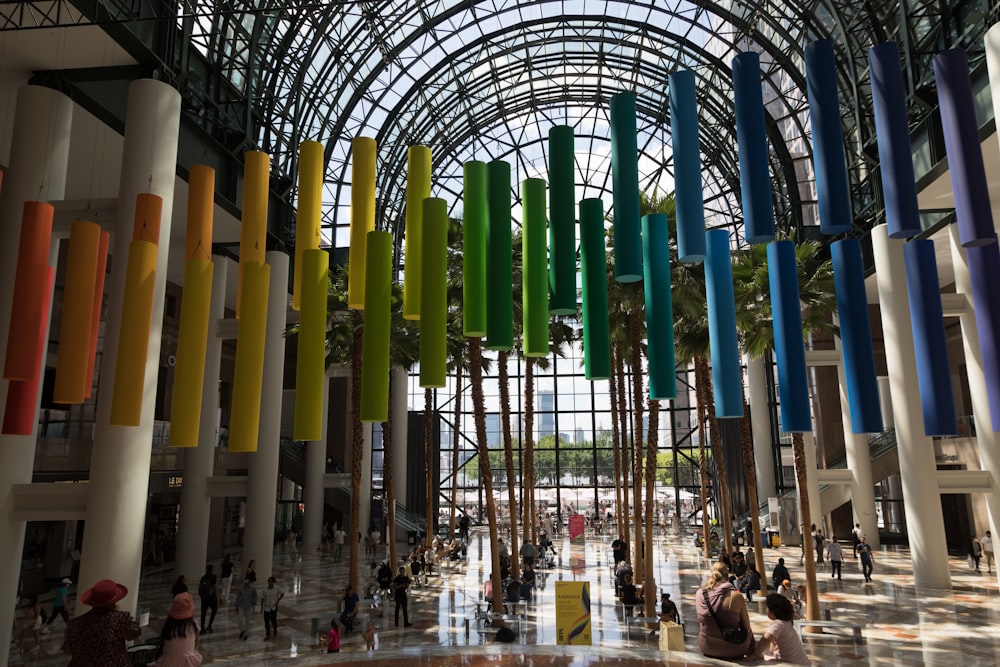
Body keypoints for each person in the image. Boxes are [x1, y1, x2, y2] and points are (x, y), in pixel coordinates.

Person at [62, 578, 142, 666]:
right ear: (114, 601)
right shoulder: (119, 619)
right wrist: (119, 612)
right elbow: (135, 633)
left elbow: (68, 648)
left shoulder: (76, 623)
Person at [695, 562, 754, 660]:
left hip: (706, 647)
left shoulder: (699, 593)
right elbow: (747, 626)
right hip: (733, 649)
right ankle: (752, 656)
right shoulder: (735, 596)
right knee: (749, 632)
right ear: (727, 576)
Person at [753, 593, 811, 665]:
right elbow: (772, 649)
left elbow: (766, 639)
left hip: (790, 664)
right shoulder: (787, 623)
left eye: (767, 607)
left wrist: (756, 654)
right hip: (803, 663)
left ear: (773, 611)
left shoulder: (778, 624)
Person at [155, 592, 203, 667]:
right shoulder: (193, 625)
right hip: (188, 664)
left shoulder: (168, 626)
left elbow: (163, 643)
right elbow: (195, 643)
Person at [197, 564, 217, 634]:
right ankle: (209, 625)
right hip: (211, 598)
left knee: (203, 613)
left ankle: (202, 629)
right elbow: (214, 587)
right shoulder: (213, 577)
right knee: (214, 610)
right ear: (212, 569)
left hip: (204, 598)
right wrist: (215, 596)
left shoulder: (203, 577)